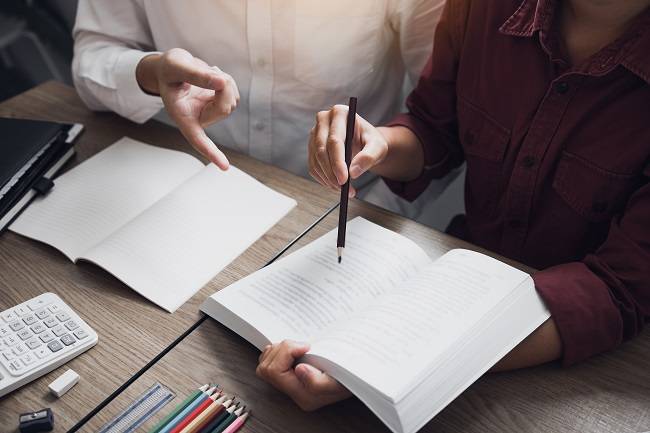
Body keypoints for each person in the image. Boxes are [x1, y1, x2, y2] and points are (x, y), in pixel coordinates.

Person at [255, 0, 650, 412]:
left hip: (571, 372)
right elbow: (434, 127)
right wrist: (380, 144)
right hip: (448, 287)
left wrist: (404, 366)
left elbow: (621, 288)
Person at [71, 1, 443, 175]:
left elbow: (446, 121)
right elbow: (93, 58)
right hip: (183, 183)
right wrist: (151, 74)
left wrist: (382, 142)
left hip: (344, 207)